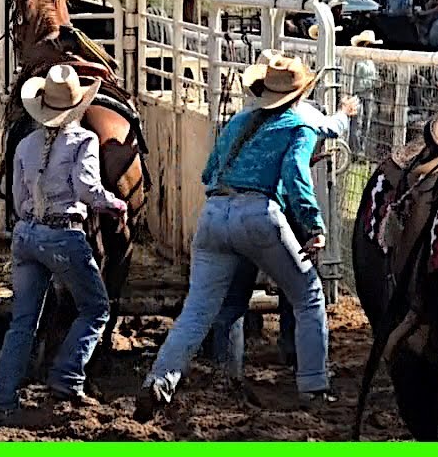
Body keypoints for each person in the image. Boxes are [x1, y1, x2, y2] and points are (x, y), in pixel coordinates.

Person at [135, 55, 337, 422]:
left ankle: (160, 380)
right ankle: (314, 386)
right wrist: (314, 228)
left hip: (213, 214)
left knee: (196, 311)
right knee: (308, 297)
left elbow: (210, 170)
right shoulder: (299, 126)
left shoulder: (240, 120)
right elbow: (295, 177)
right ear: (300, 93)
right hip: (259, 214)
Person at [0, 65, 128, 425]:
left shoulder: (24, 144)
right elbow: (86, 190)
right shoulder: (84, 141)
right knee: (96, 308)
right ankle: (67, 376)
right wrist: (115, 204)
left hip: (27, 234)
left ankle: (2, 400)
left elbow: (18, 201)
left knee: (22, 322)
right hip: (63, 234)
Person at [208, 50, 359, 384]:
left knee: (233, 297)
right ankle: (304, 369)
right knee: (304, 290)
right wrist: (345, 113)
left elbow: (211, 172)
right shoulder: (300, 116)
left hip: (229, 210)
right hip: (275, 210)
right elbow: (324, 135)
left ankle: (224, 373)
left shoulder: (243, 119)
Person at [350, 31, 381, 155]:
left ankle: (361, 149)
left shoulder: (370, 60)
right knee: (357, 122)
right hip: (357, 93)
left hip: (369, 93)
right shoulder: (355, 59)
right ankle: (355, 150)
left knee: (366, 122)